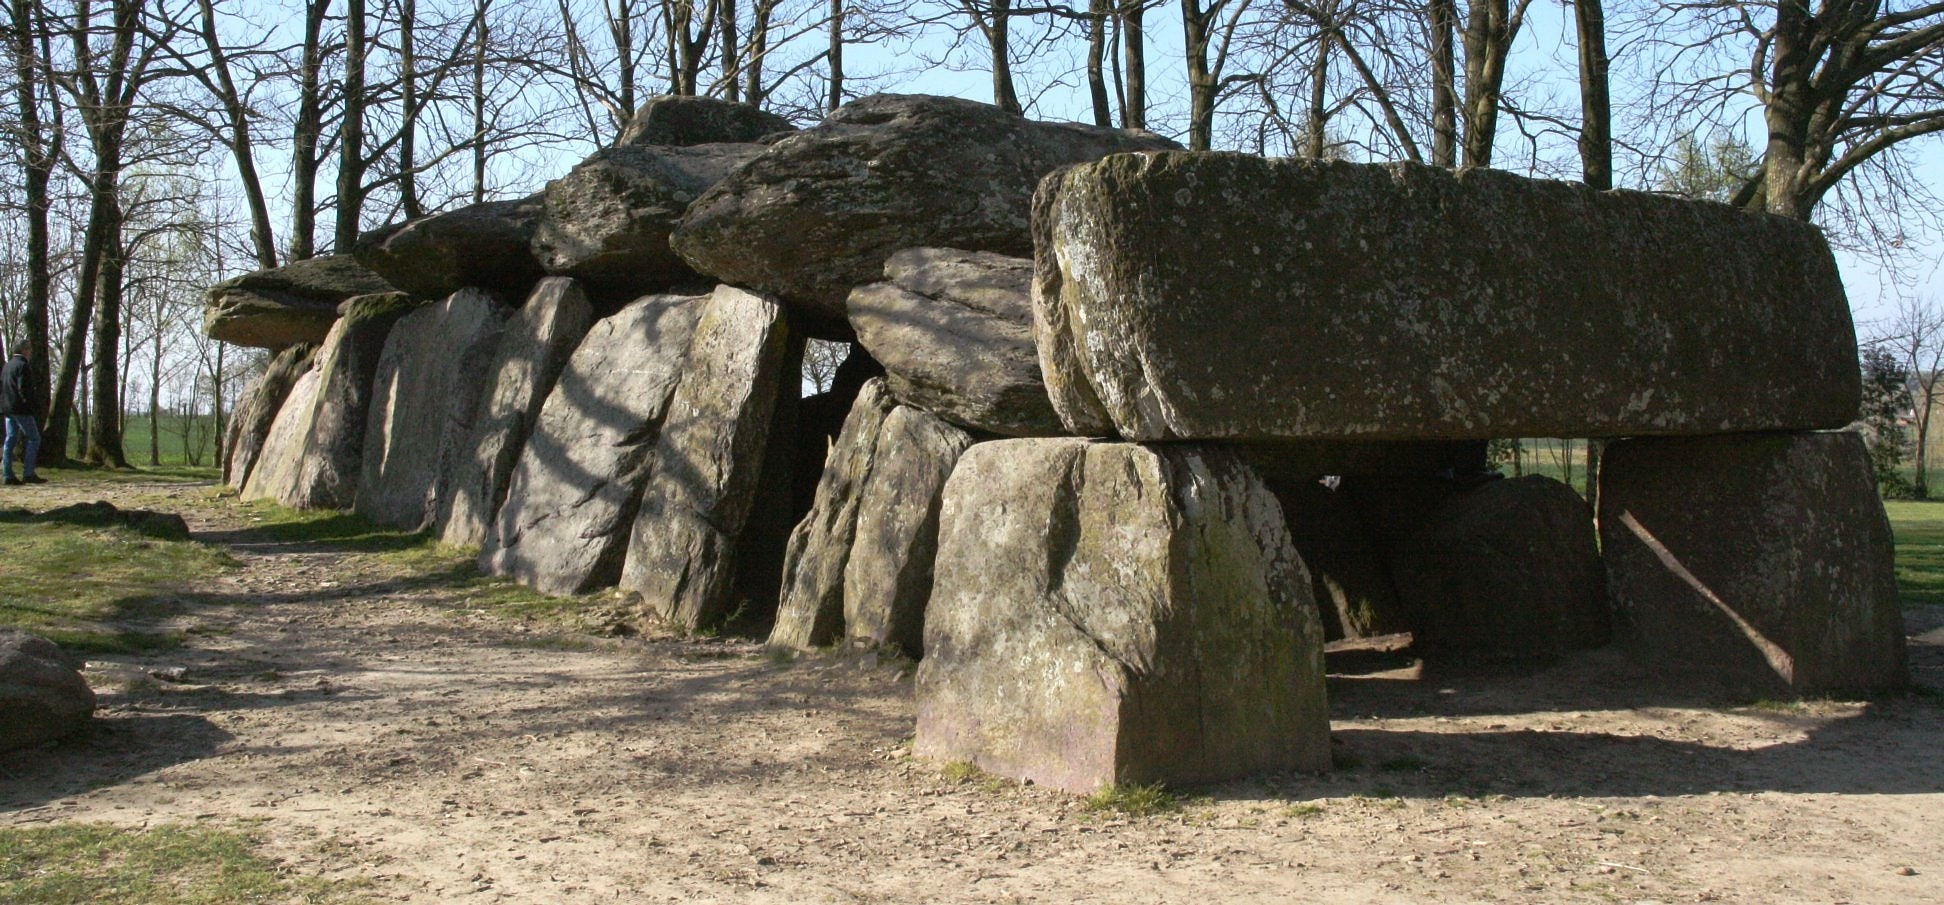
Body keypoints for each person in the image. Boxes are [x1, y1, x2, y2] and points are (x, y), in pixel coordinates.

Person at [1, 341, 45, 485]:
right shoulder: (23, 366)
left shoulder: (7, 366)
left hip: (7, 408)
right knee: (34, 438)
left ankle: (7, 474)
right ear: (24, 350)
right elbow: (23, 388)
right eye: (29, 349)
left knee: (10, 439)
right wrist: (30, 404)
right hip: (20, 408)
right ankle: (28, 473)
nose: (30, 352)